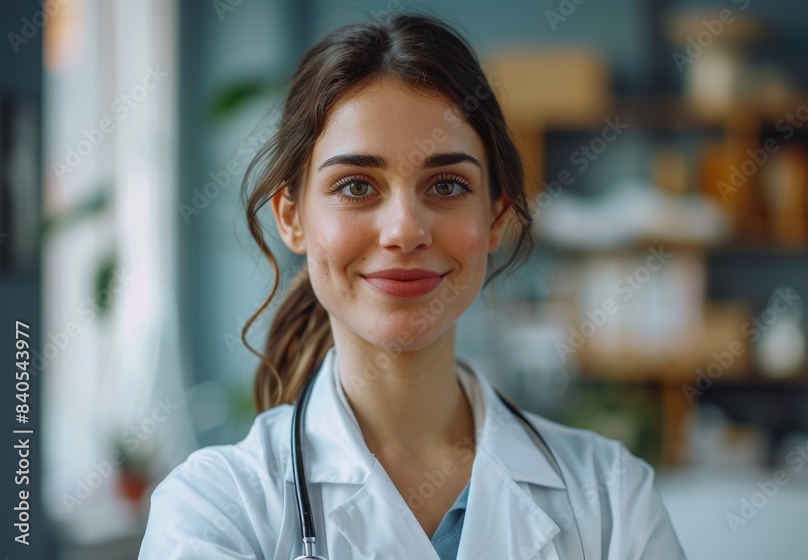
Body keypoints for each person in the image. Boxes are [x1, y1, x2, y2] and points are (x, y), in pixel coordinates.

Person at [138, 13, 686, 560]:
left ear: (495, 216)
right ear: (292, 218)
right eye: (356, 186)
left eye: (447, 184)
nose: (404, 230)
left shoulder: (612, 497)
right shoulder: (214, 510)